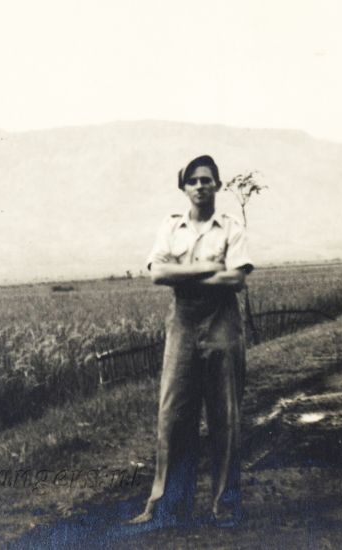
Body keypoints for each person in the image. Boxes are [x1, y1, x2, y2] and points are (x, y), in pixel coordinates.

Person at [129, 154, 254, 528]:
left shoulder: (231, 227)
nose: (201, 186)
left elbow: (236, 280)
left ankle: (226, 506)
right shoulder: (171, 227)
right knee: (173, 416)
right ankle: (167, 508)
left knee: (225, 417)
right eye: (194, 181)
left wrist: (182, 276)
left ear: (217, 185)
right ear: (184, 188)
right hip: (182, 324)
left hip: (223, 323)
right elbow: (156, 272)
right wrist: (205, 268)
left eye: (207, 180)